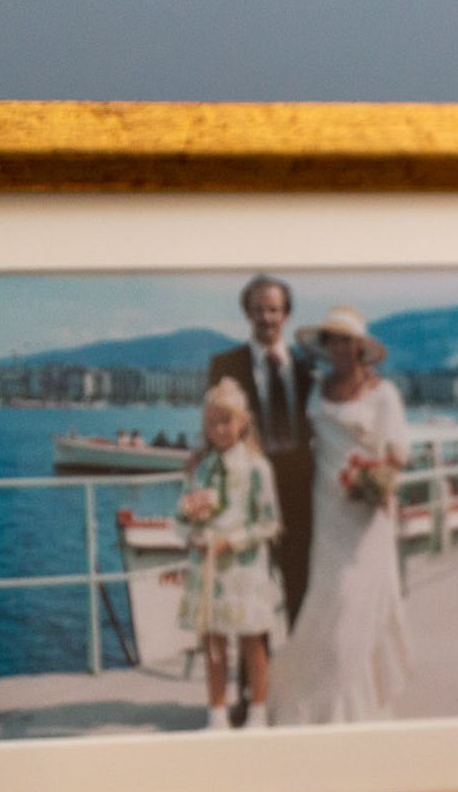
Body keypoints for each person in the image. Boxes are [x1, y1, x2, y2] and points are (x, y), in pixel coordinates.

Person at [269, 305, 412, 724]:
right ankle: (317, 703)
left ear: (361, 347)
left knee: (355, 605)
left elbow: (399, 451)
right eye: (333, 340)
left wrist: (379, 480)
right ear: (327, 346)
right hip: (327, 511)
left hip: (368, 517)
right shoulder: (317, 389)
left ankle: (350, 708)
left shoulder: (383, 393)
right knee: (326, 602)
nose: (341, 348)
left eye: (348, 340)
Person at [176, 381, 287, 732]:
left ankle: (257, 712)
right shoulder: (200, 468)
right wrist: (192, 533)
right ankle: (217, 714)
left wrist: (232, 541)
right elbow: (182, 512)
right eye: (213, 422)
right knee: (213, 643)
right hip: (210, 570)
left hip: (244, 569)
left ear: (243, 423)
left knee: (253, 641)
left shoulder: (256, 468)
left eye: (227, 421)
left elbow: (269, 523)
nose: (220, 429)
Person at [207, 274, 316, 627]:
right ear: (247, 314)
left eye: (273, 310)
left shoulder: (307, 368)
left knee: (301, 585)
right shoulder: (226, 366)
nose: (266, 318)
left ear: (286, 314)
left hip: (300, 492)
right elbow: (213, 431)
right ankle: (254, 682)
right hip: (249, 494)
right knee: (251, 593)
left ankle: (300, 673)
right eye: (258, 310)